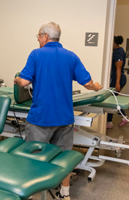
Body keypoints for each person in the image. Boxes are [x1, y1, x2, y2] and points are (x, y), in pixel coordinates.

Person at [14, 22, 102, 200]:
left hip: (41, 120)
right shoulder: (71, 56)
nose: (38, 39)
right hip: (64, 119)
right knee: (63, 159)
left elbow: (24, 82)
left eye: (38, 35)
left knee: (33, 159)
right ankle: (65, 193)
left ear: (45, 36)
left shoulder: (36, 54)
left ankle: (32, 194)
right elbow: (87, 83)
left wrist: (16, 78)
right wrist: (97, 87)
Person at [106, 35, 128, 129]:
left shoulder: (118, 53)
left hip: (117, 78)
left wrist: (117, 83)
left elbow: (118, 68)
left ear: (114, 43)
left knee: (112, 100)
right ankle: (110, 121)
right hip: (117, 78)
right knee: (113, 99)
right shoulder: (119, 50)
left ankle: (122, 118)